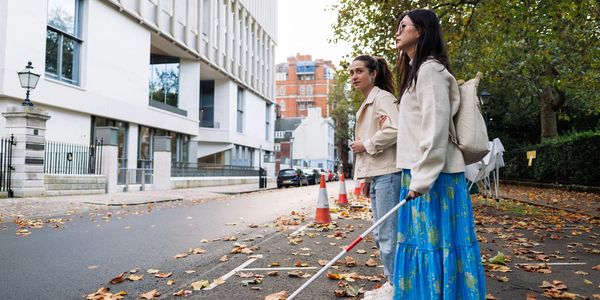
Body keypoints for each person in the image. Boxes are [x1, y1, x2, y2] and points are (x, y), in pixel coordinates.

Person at [393, 9, 486, 299]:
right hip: (423, 174)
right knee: (424, 245)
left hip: (433, 179)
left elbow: (434, 130)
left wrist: (420, 181)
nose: (397, 32)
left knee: (435, 246)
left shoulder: (430, 70)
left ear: (420, 31)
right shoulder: (417, 70)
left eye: (403, 26)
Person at [349, 55, 401, 299]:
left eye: (359, 71)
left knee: (388, 233)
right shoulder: (370, 101)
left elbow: (394, 129)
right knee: (382, 233)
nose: (354, 77)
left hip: (389, 174)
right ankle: (392, 282)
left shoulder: (383, 98)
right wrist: (368, 180)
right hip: (379, 175)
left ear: (373, 74)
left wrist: (365, 144)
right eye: (351, 73)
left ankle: (395, 286)